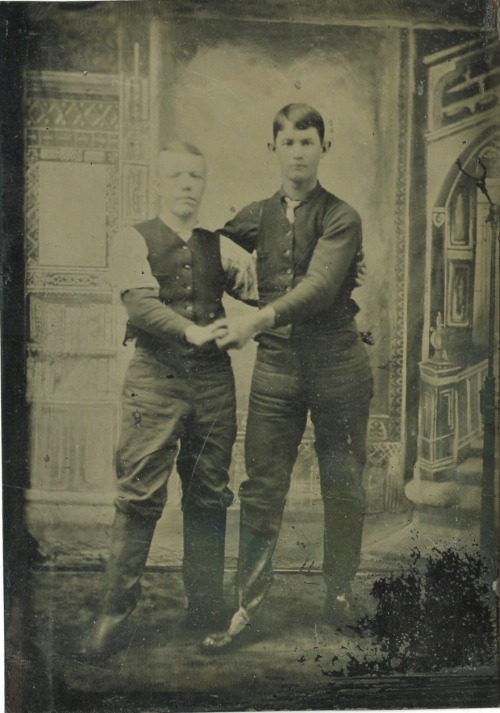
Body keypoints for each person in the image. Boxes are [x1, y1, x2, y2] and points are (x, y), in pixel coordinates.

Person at [202, 103, 374, 651]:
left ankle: (340, 595)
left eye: (308, 141)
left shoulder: (342, 216)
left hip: (337, 367)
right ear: (272, 148)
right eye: (288, 142)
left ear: (324, 147)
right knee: (261, 486)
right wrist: (241, 285)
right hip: (277, 367)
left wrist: (257, 315)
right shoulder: (257, 213)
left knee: (342, 484)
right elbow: (208, 248)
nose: (297, 151)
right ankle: (247, 606)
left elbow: (321, 288)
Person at [80, 141, 257, 660]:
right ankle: (114, 615)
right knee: (139, 498)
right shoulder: (132, 240)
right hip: (154, 380)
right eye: (176, 176)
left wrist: (250, 320)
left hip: (213, 387)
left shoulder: (219, 247)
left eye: (194, 177)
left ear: (203, 185)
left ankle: (204, 609)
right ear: (159, 183)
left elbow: (264, 292)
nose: (186, 185)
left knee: (208, 493)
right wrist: (193, 332)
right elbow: (140, 306)